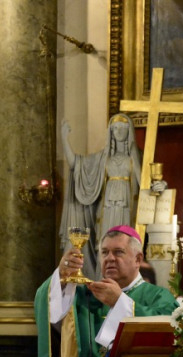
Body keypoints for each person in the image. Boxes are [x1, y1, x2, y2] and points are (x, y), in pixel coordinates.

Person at [35, 225, 177, 357]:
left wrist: (119, 302)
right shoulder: (86, 294)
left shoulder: (158, 296)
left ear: (138, 259)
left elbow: (169, 329)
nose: (110, 258)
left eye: (118, 252)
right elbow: (46, 305)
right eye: (104, 252)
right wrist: (61, 276)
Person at [59, 113, 142, 279]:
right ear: (110, 131)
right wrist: (64, 139)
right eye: (115, 128)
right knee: (106, 245)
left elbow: (148, 182)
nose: (119, 132)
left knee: (126, 245)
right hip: (107, 209)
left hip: (128, 209)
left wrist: (158, 185)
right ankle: (102, 282)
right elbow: (76, 164)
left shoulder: (138, 156)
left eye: (123, 128)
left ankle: (125, 282)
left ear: (129, 131)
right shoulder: (102, 158)